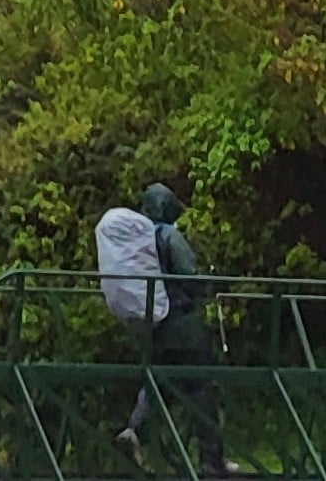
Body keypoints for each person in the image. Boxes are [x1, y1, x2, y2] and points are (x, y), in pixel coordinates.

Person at [103, 183, 224, 477]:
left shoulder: (137, 240)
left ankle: (134, 429)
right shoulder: (169, 235)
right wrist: (210, 283)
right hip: (183, 324)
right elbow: (189, 276)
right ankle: (211, 461)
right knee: (202, 387)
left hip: (155, 325)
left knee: (157, 382)